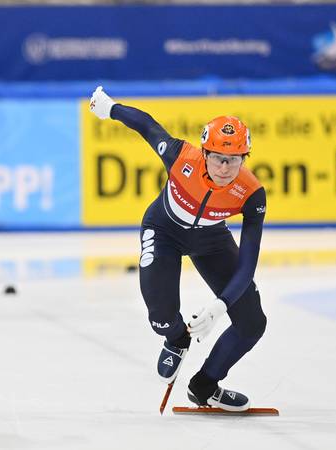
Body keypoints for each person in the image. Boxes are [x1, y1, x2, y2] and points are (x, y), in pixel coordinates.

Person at [89, 86, 267, 412]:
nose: (224, 168)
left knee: (253, 321)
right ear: (204, 153)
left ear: (244, 159)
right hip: (164, 230)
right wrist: (110, 108)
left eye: (233, 161)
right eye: (217, 158)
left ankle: (204, 386)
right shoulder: (180, 155)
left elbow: (247, 264)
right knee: (159, 317)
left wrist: (219, 307)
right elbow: (147, 125)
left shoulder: (252, 193)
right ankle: (175, 338)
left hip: (211, 240)